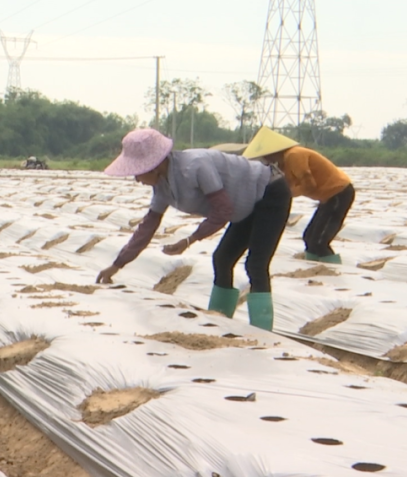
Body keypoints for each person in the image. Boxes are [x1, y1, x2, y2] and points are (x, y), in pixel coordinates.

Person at [96, 128, 291, 330]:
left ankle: (263, 333)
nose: (137, 179)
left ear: (154, 166)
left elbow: (223, 210)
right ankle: (218, 321)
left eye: (138, 172)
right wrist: (117, 265)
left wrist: (190, 240)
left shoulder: (196, 165)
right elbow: (148, 226)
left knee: (256, 265)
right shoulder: (162, 186)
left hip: (270, 193)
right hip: (243, 206)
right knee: (222, 259)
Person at [243, 127, 354, 264]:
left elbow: (309, 185)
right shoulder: (283, 164)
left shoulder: (294, 155)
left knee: (319, 241)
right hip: (327, 197)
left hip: (338, 192)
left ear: (273, 153)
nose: (266, 160)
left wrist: (286, 194)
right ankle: (314, 269)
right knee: (309, 237)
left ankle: (333, 272)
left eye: (266, 157)